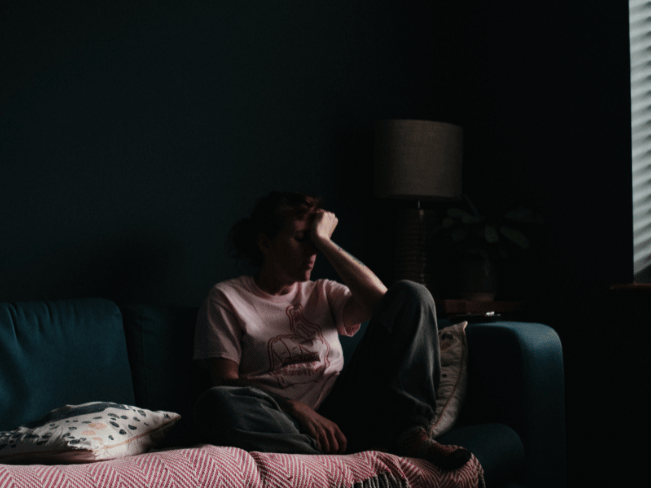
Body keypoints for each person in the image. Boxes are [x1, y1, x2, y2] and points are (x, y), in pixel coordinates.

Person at [192, 191, 471, 470]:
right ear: (265, 243)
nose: (312, 251)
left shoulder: (323, 292)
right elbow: (224, 381)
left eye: (315, 241)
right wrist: (295, 407)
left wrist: (325, 241)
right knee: (216, 403)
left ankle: (410, 435)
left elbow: (385, 302)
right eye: (303, 239)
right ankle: (339, 461)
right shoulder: (226, 298)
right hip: (283, 420)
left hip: (347, 410)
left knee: (414, 294)